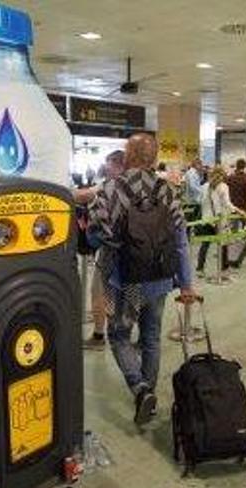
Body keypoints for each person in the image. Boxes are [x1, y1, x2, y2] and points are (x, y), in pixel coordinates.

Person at [88, 133, 196, 426]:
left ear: (128, 154)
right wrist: (186, 283)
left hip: (126, 281)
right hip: (161, 279)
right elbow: (181, 242)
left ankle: (140, 388)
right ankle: (147, 394)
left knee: (120, 335)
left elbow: (94, 236)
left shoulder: (110, 189)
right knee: (151, 337)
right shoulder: (168, 190)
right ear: (154, 156)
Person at [82, 150, 125, 351]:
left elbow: (82, 196)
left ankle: (99, 335)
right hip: (137, 252)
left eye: (108, 164)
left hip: (110, 250)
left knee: (98, 291)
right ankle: (135, 336)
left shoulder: (107, 187)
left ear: (116, 165)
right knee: (129, 293)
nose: (106, 168)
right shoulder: (142, 186)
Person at [196, 166, 246, 278]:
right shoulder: (223, 186)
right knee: (223, 244)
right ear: (222, 175)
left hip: (206, 219)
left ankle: (200, 269)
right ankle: (224, 269)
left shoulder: (204, 186)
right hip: (219, 221)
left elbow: (199, 201)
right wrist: (239, 211)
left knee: (205, 244)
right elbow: (227, 203)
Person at [226, 158, 246, 261]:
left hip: (232, 209)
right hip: (244, 210)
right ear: (245, 167)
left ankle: (231, 253)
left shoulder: (229, 178)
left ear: (236, 166)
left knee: (232, 231)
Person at [182, 158, 204, 224]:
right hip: (193, 202)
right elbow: (193, 186)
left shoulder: (193, 173)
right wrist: (202, 192)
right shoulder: (192, 173)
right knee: (192, 221)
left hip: (192, 201)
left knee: (192, 221)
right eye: (201, 165)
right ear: (197, 164)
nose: (202, 167)